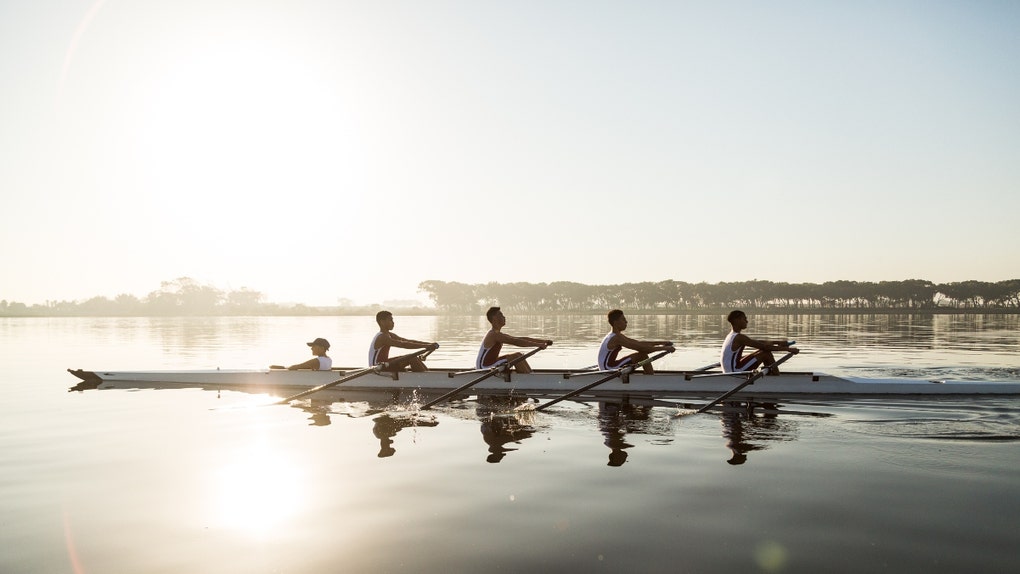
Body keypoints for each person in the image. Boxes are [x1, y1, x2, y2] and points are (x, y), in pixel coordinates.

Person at [476, 307, 552, 374]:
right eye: (501, 315)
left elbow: (519, 339)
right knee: (515, 357)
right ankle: (529, 379)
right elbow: (516, 342)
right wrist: (538, 345)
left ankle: (530, 374)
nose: (504, 317)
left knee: (518, 355)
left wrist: (543, 341)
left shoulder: (498, 334)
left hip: (491, 363)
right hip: (483, 367)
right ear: (494, 318)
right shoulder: (493, 335)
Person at [720, 310, 798, 374]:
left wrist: (778, 342)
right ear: (736, 320)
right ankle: (776, 378)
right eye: (744, 319)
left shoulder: (731, 335)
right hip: (734, 372)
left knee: (761, 351)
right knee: (766, 353)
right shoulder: (739, 337)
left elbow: (759, 343)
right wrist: (789, 350)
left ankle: (771, 374)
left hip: (730, 370)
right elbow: (765, 347)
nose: (747, 321)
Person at [597, 309, 674, 374]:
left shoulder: (615, 335)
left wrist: (662, 343)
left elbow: (639, 344)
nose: (626, 322)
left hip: (607, 366)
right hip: (607, 369)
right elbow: (642, 349)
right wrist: (665, 348)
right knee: (642, 356)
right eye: (623, 319)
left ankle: (650, 377)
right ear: (616, 322)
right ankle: (651, 380)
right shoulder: (616, 338)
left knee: (642, 355)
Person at [369, 310, 439, 372]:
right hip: (378, 368)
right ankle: (427, 378)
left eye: (392, 320)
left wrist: (429, 344)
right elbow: (403, 344)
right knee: (412, 358)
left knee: (413, 357)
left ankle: (427, 374)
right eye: (390, 320)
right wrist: (427, 346)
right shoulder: (382, 337)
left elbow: (407, 341)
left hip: (385, 365)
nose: (393, 323)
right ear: (382, 322)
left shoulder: (389, 334)